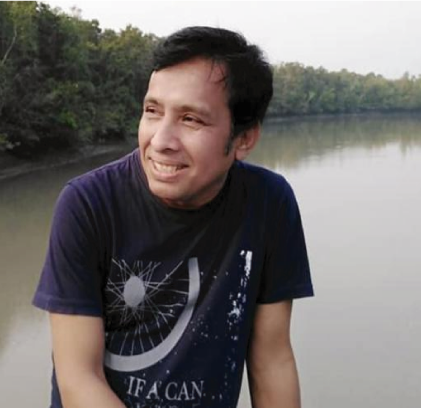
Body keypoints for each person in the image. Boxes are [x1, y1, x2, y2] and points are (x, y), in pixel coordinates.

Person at [33, 26, 314, 408]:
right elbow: (79, 379)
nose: (161, 141)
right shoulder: (88, 205)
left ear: (244, 138)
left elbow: (272, 360)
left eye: (191, 119)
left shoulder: (268, 204)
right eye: (152, 111)